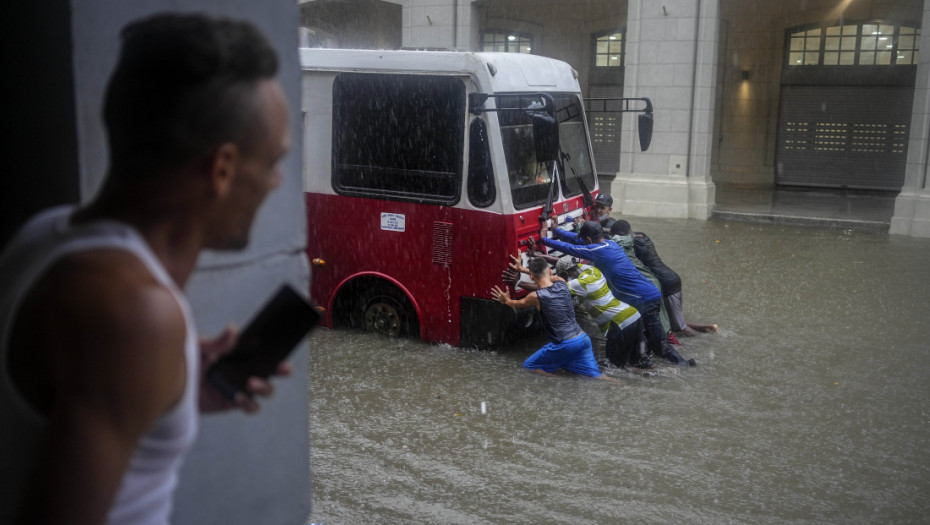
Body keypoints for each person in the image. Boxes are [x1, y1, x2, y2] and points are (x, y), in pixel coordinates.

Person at [0, 14, 292, 524]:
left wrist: (173, 388)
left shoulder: (43, 235)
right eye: (272, 161)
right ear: (221, 169)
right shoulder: (131, 314)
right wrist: (144, 348)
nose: (275, 182)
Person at [539, 219, 695, 366]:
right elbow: (576, 240)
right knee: (640, 339)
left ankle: (684, 365)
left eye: (584, 239)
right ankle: (643, 365)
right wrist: (557, 230)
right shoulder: (610, 244)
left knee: (658, 344)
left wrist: (544, 238)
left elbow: (571, 248)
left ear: (588, 239)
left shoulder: (599, 251)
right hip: (646, 296)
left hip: (644, 299)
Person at [504, 255, 654, 371]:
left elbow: (549, 288)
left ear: (568, 272)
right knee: (640, 362)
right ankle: (656, 372)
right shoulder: (591, 270)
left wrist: (518, 282)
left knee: (614, 367)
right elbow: (547, 276)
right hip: (633, 315)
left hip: (620, 324)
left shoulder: (578, 284)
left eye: (564, 275)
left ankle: (624, 385)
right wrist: (524, 270)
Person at [491, 257, 618, 382]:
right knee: (597, 377)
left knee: (529, 366)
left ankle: (562, 383)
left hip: (565, 343)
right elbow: (545, 277)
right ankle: (622, 384)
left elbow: (517, 304)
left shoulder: (535, 296)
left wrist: (506, 300)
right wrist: (522, 269)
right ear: (550, 272)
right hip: (582, 339)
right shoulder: (561, 281)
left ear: (531, 277)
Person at [613, 220, 718, 336]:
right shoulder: (641, 236)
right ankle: (709, 328)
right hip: (670, 279)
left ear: (622, 234)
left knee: (679, 326)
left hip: (668, 283)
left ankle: (702, 342)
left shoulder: (633, 244)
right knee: (674, 321)